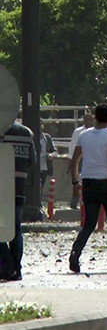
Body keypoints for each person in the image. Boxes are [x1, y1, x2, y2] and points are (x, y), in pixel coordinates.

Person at [68, 104, 107, 273]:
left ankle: (75, 253)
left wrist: (75, 182)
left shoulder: (84, 136)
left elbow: (74, 162)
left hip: (88, 182)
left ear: (95, 117)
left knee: (89, 223)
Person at [0, 121, 36, 281]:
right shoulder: (27, 132)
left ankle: (8, 267)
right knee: (15, 228)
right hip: (19, 186)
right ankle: (17, 269)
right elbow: (32, 161)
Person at [67, 113, 95, 209]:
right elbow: (73, 145)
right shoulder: (78, 131)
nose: (88, 121)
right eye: (86, 119)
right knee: (77, 182)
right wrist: (70, 159)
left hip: (91, 159)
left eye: (90, 119)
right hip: (79, 158)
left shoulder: (95, 132)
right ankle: (74, 202)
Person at [39, 120, 57, 192]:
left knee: (41, 186)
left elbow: (55, 151)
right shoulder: (32, 137)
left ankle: (39, 200)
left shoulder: (47, 138)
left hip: (44, 167)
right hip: (35, 167)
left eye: (40, 124)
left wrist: (51, 155)